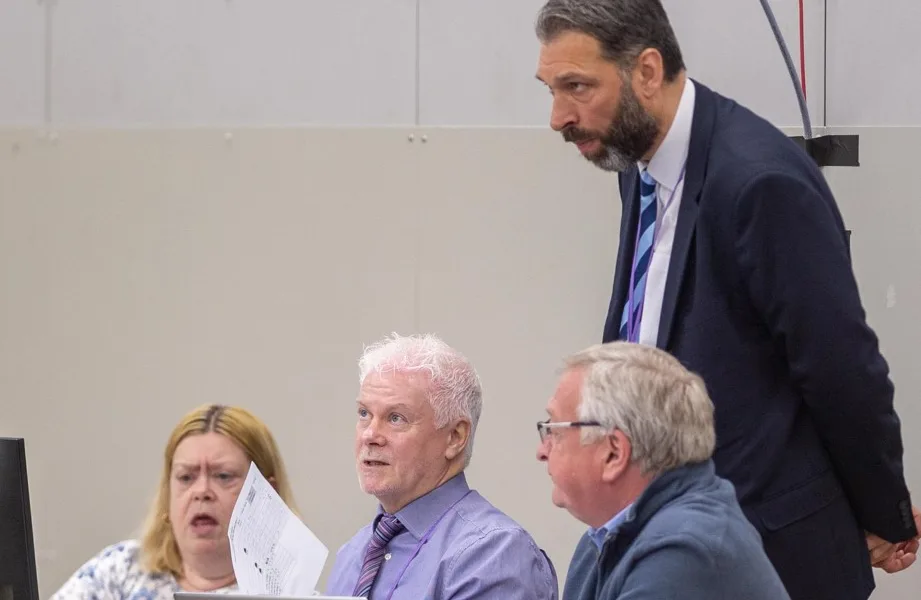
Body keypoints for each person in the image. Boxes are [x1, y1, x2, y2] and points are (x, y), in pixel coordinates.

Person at [532, 2, 920, 599]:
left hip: (765, 546)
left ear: (647, 71)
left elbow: (841, 368)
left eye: (577, 87)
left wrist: (882, 515)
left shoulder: (759, 182)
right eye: (552, 90)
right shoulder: (637, 165)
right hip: (658, 531)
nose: (559, 116)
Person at [537, 341, 791, 599]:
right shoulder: (601, 540)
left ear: (613, 453)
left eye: (555, 432)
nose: (542, 451)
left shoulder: (684, 549)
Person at [325, 332, 558, 600]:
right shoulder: (351, 554)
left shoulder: (492, 554)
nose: (370, 435)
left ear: (455, 437)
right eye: (364, 414)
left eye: (396, 418)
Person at [51, 404, 298, 599]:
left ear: (268, 496)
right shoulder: (119, 570)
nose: (201, 491)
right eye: (186, 477)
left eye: (223, 476)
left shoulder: (289, 595)